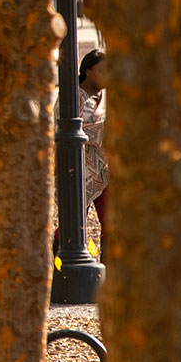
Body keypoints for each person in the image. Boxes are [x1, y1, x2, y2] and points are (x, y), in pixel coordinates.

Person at [77, 49, 109, 251]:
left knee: (112, 224)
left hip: (105, 170)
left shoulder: (105, 97)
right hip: (80, 170)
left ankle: (112, 274)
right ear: (88, 71)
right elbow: (65, 128)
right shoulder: (74, 97)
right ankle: (59, 270)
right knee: (74, 225)